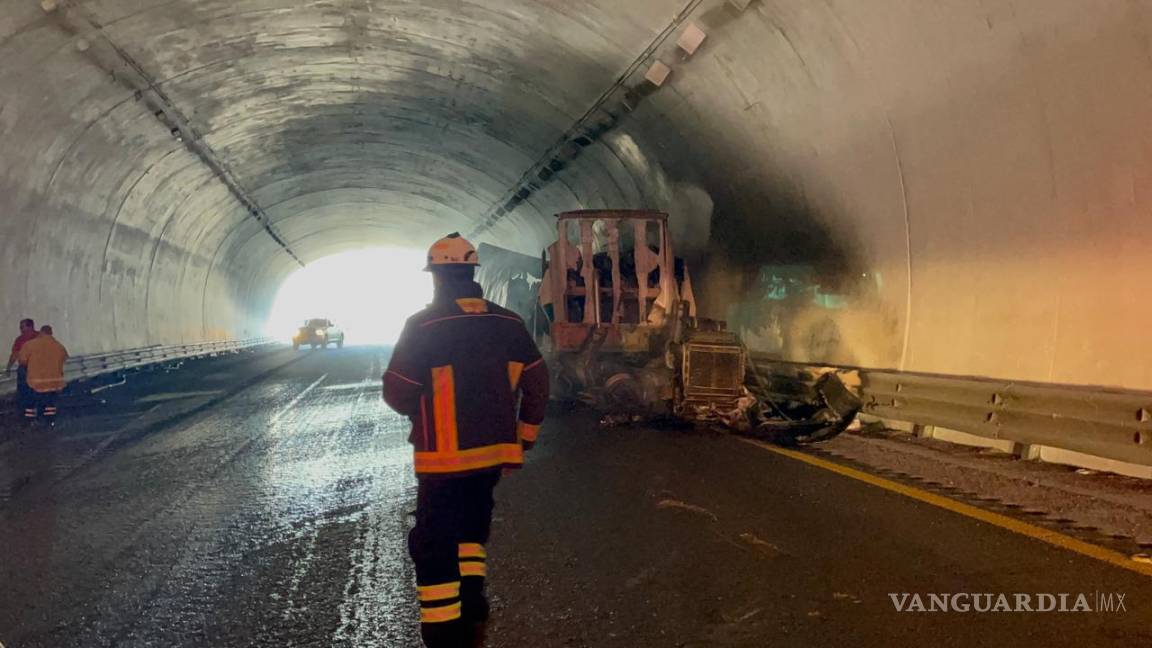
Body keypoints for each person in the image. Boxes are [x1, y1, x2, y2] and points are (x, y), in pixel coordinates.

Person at [383, 233, 549, 648]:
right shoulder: (509, 323)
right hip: (492, 455)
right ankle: (473, 607)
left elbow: (397, 391)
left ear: (437, 277)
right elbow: (538, 381)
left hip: (442, 460)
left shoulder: (423, 325)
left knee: (433, 544)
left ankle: (443, 634)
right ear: (473, 272)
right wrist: (524, 437)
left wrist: (421, 412)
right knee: (472, 526)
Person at [18, 325, 69, 425]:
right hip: (54, 382)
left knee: (31, 402)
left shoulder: (30, 345)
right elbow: (65, 359)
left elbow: (22, 361)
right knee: (50, 403)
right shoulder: (59, 346)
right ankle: (49, 421)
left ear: (41, 333)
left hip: (35, 382)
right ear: (51, 333)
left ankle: (30, 421)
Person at [6, 318, 38, 421]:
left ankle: (29, 416)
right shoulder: (39, 337)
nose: (20, 329)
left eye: (22, 327)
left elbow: (15, 354)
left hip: (29, 369)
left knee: (26, 393)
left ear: (29, 326)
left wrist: (9, 367)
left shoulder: (23, 339)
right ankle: (35, 416)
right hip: (34, 369)